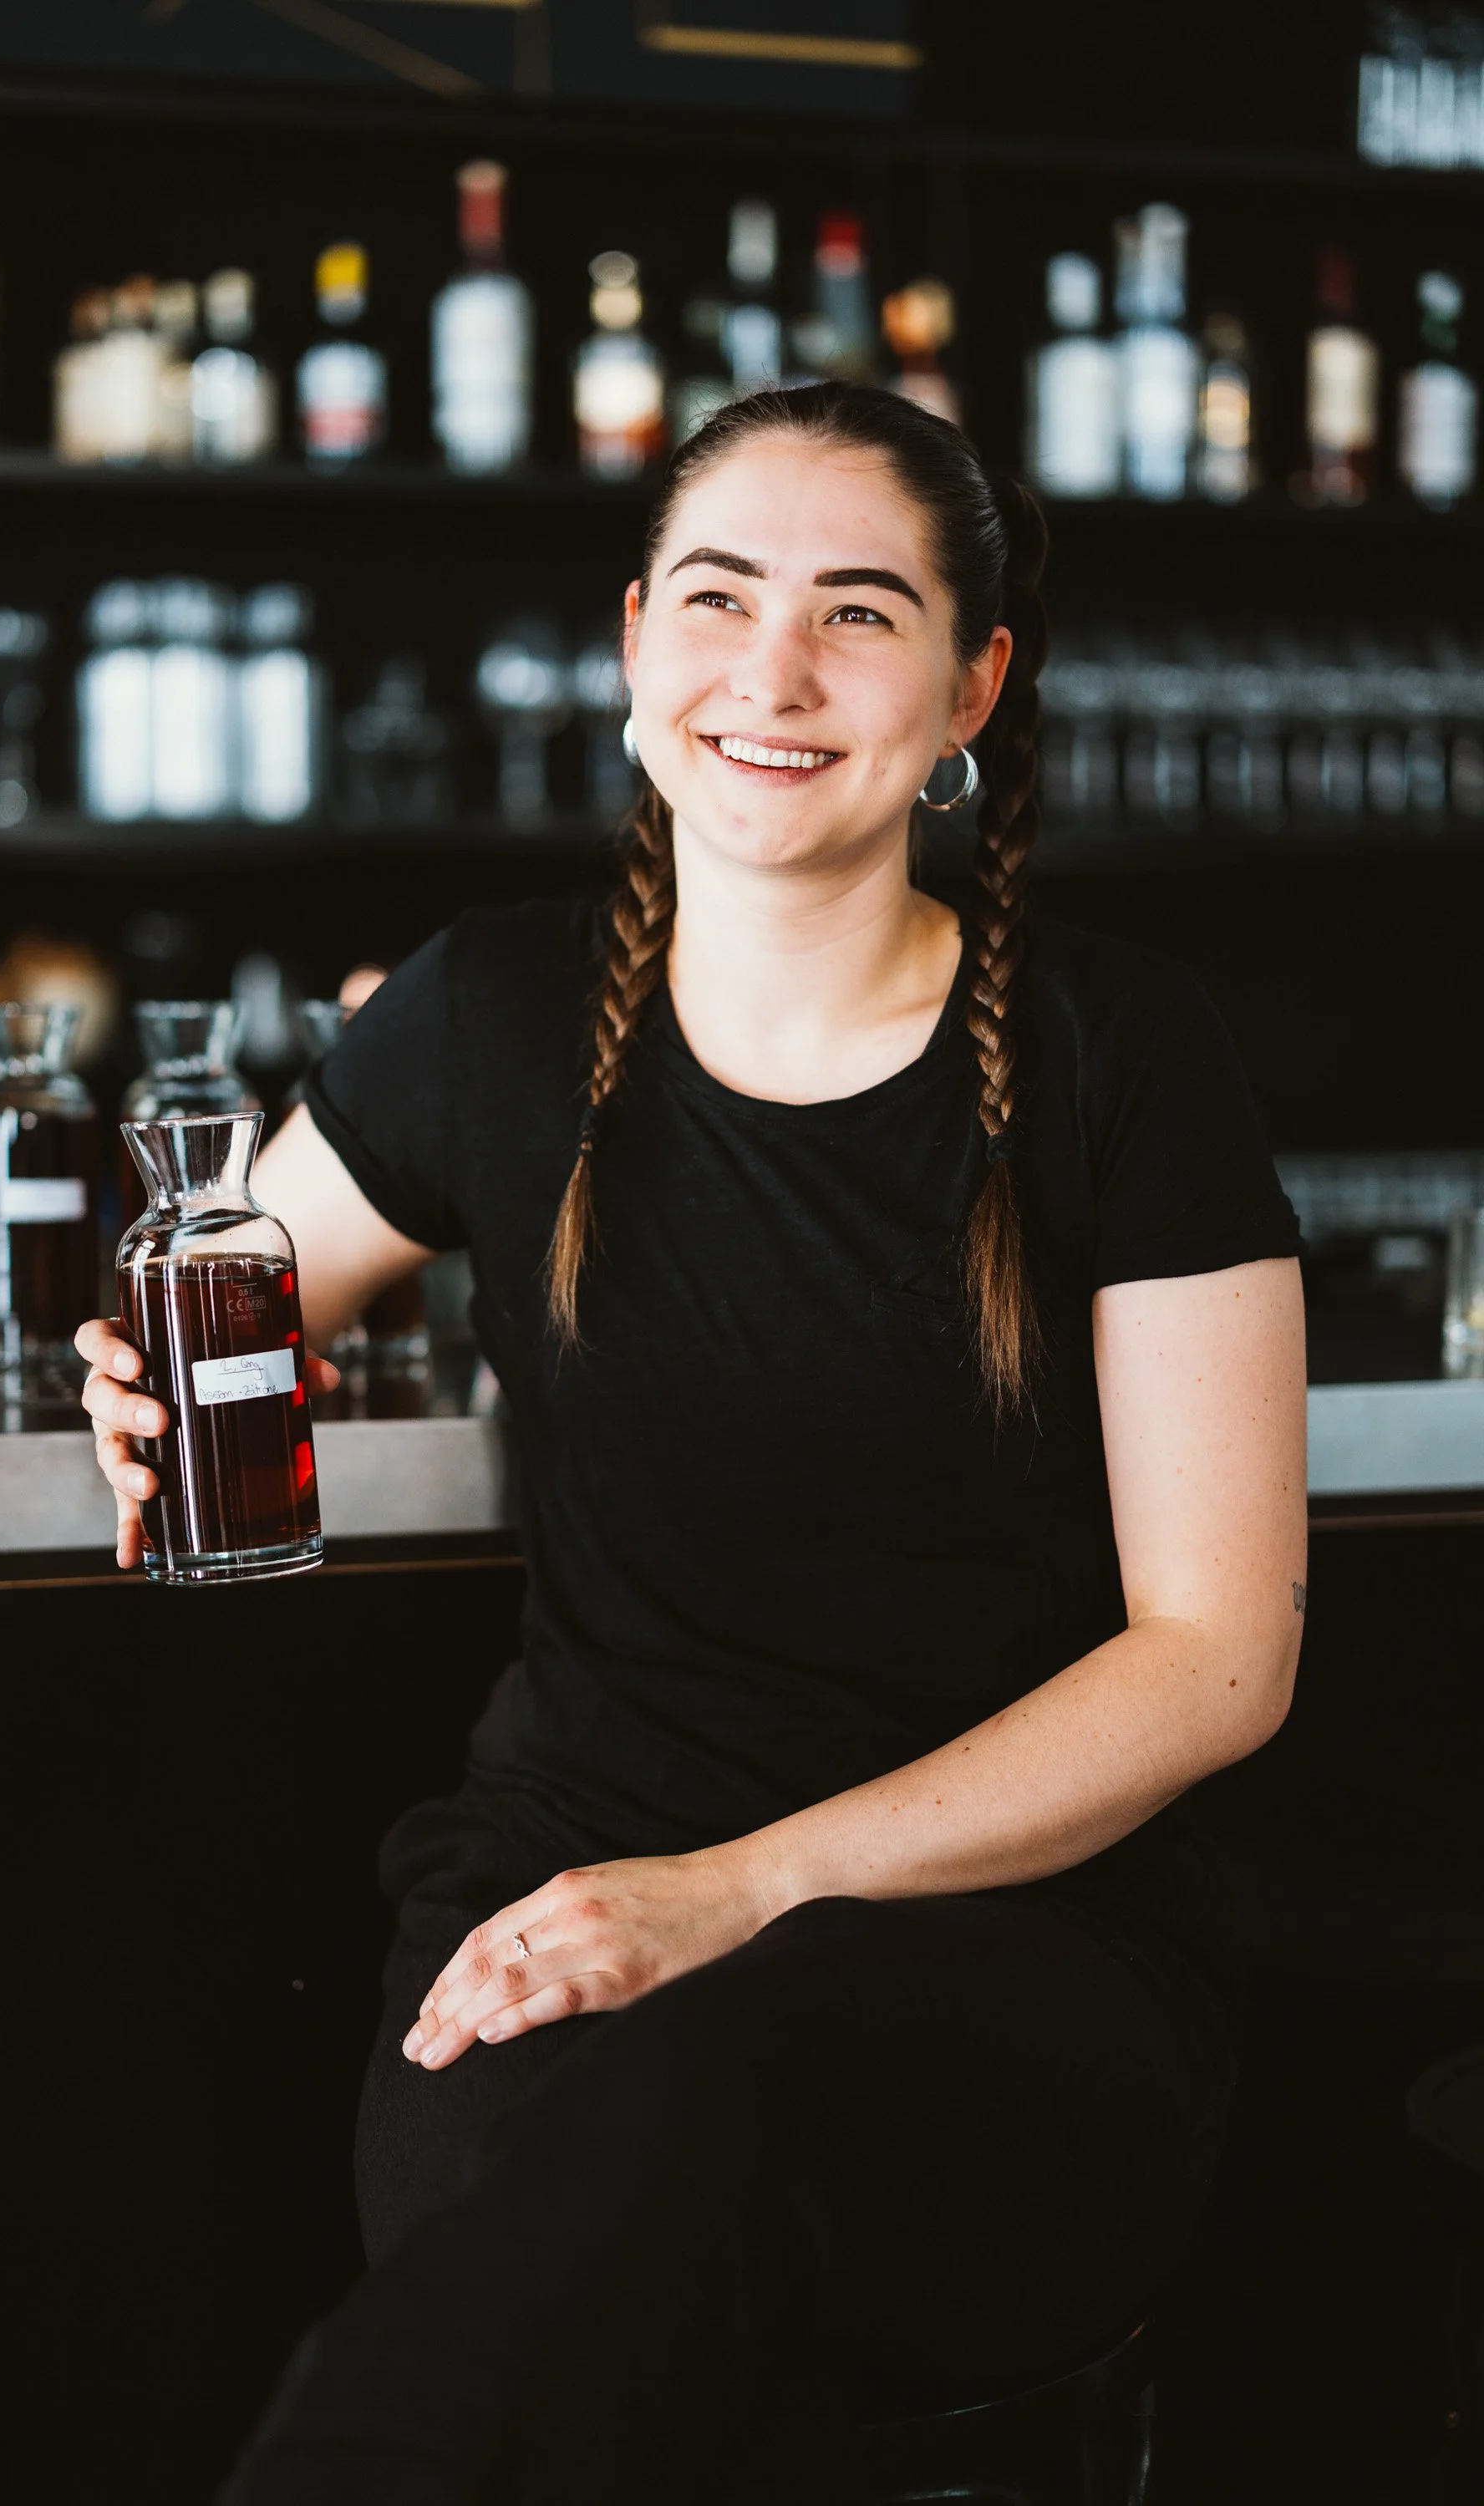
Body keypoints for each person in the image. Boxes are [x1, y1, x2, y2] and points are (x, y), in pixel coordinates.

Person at [76, 383, 1307, 2503]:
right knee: (574, 2175)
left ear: (970, 687)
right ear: (636, 637)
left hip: (1011, 1947)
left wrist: (728, 1896)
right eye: (720, 599)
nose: (772, 672)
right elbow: (221, 1288)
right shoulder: (483, 1015)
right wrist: (141, 1368)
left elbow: (1216, 1656)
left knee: (648, 2148)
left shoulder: (1122, 1051)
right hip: (549, 1888)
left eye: (859, 612)